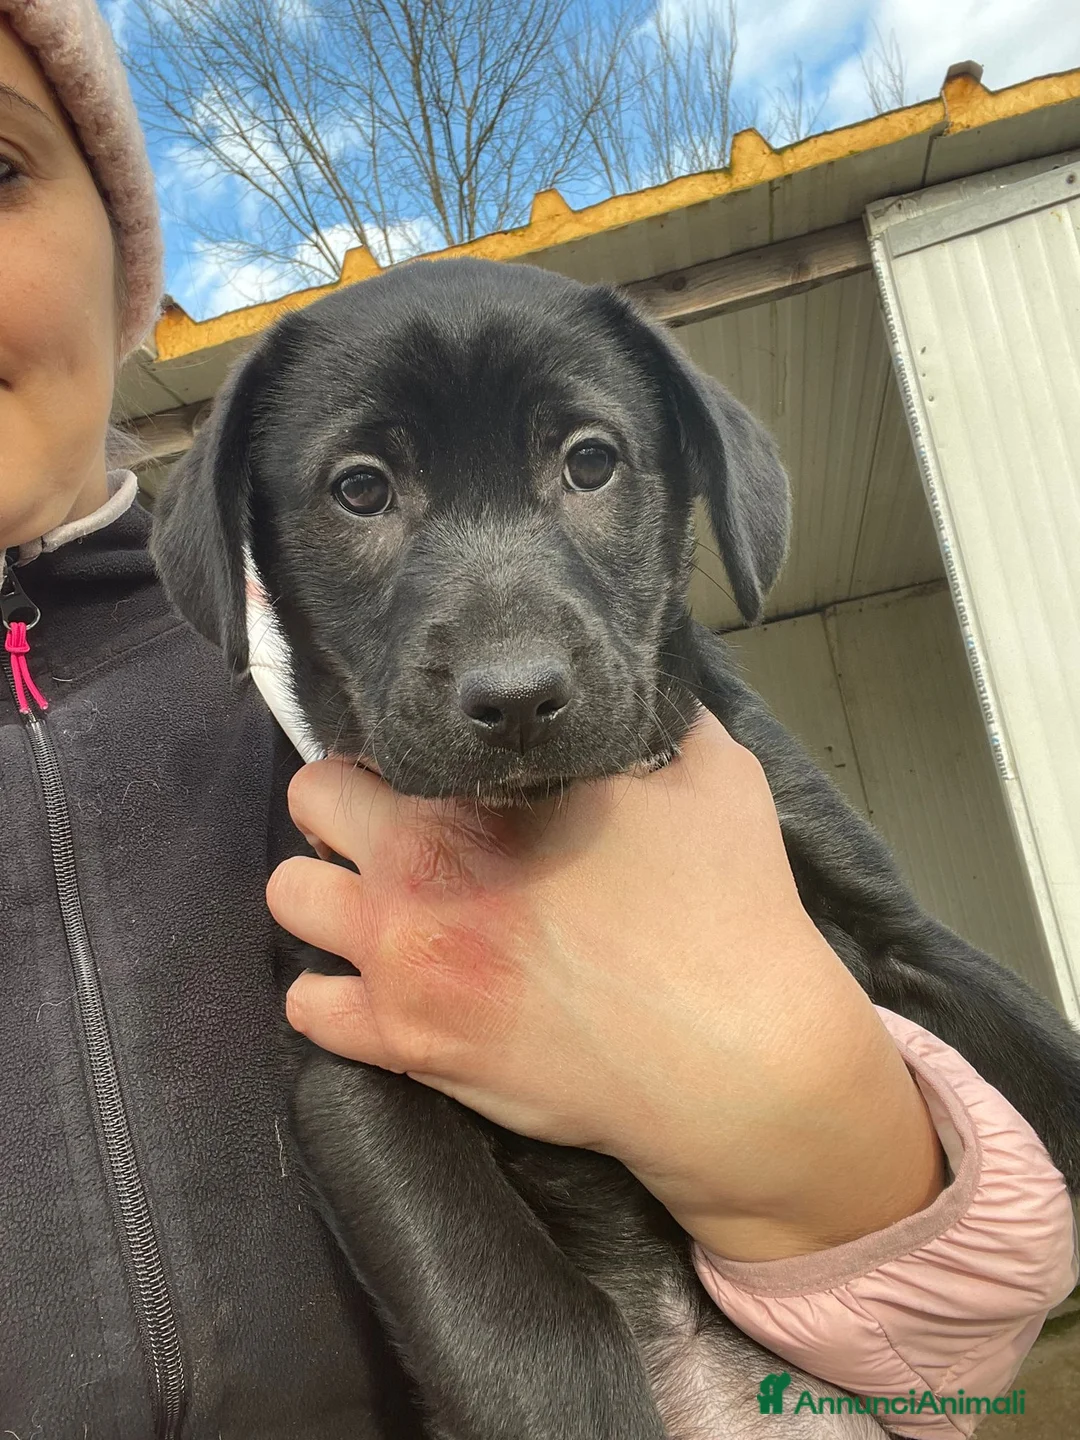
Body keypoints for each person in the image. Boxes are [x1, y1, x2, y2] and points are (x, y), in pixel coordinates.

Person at [0, 1, 1075, 1435]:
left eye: (586, 461)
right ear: (242, 542)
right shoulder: (273, 749)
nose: (509, 660)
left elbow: (903, 968)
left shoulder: (701, 755)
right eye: (364, 491)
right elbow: (360, 1091)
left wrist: (824, 1134)